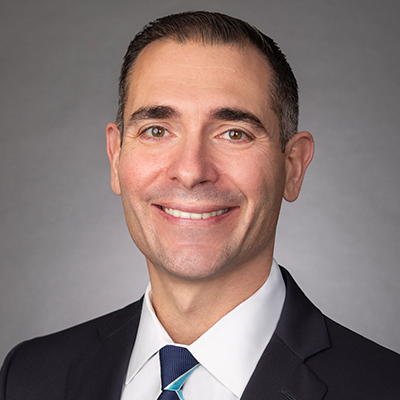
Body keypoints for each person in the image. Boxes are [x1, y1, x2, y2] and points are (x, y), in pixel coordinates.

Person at [1, 11, 399, 400]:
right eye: (157, 130)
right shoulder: (28, 377)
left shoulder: (384, 387)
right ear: (116, 157)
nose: (191, 171)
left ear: (292, 167)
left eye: (234, 133)